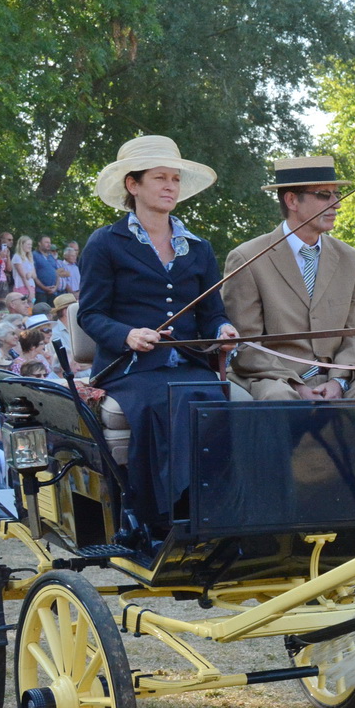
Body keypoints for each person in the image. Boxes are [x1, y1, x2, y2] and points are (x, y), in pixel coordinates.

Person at [77, 134, 238, 537]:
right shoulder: (105, 243)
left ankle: (215, 511)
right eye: (160, 178)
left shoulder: (199, 249)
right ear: (133, 185)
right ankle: (153, 517)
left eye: (175, 179)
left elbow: (212, 313)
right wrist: (128, 334)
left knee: (213, 398)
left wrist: (223, 331)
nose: (170, 187)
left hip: (187, 363)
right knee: (159, 402)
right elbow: (91, 315)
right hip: (129, 369)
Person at [223, 155, 355, 400]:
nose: (337, 204)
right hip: (275, 379)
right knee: (281, 399)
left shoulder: (352, 259)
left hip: (339, 380)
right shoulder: (247, 258)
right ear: (291, 200)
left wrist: (339, 381)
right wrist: (297, 386)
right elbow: (246, 345)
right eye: (324, 194)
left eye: (336, 194)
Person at [9, 236, 37, 300]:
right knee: (24, 305)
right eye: (28, 244)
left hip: (31, 286)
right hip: (21, 286)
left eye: (31, 244)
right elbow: (23, 276)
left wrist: (30, 273)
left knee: (32, 304)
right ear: (22, 244)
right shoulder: (17, 257)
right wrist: (30, 290)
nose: (30, 246)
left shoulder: (29, 258)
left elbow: (34, 275)